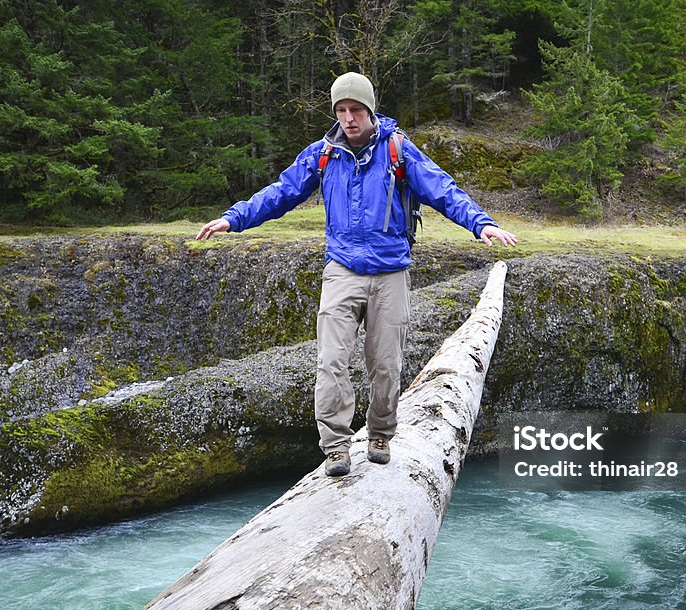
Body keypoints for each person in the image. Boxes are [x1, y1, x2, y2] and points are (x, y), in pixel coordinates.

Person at [197, 72, 517, 477]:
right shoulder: (323, 154)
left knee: (385, 364)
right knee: (331, 362)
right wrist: (233, 219)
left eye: (356, 110)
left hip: (390, 275)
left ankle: (380, 434)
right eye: (342, 110)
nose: (349, 118)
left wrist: (481, 224)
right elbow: (279, 193)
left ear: (370, 110)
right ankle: (335, 447)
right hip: (342, 271)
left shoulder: (398, 149)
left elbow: (443, 190)